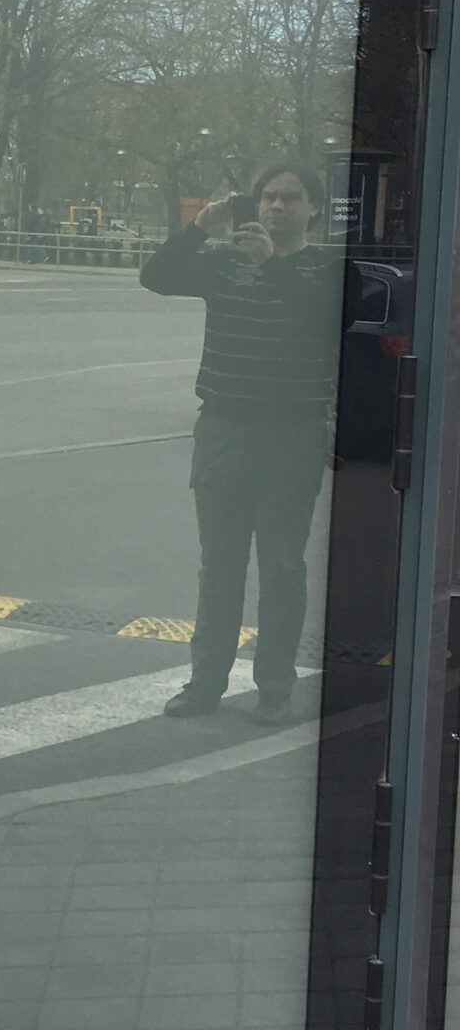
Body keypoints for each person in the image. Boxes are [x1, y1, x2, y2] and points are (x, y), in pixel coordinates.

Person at [139, 162, 339, 723]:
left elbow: (319, 321)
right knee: (219, 566)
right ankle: (205, 683)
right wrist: (197, 230)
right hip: (223, 429)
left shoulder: (326, 269)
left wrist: (272, 264)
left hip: (290, 435)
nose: (276, 206)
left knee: (281, 569)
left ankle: (274, 687)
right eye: (268, 197)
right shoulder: (224, 261)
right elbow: (156, 277)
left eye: (290, 198)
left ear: (314, 209)